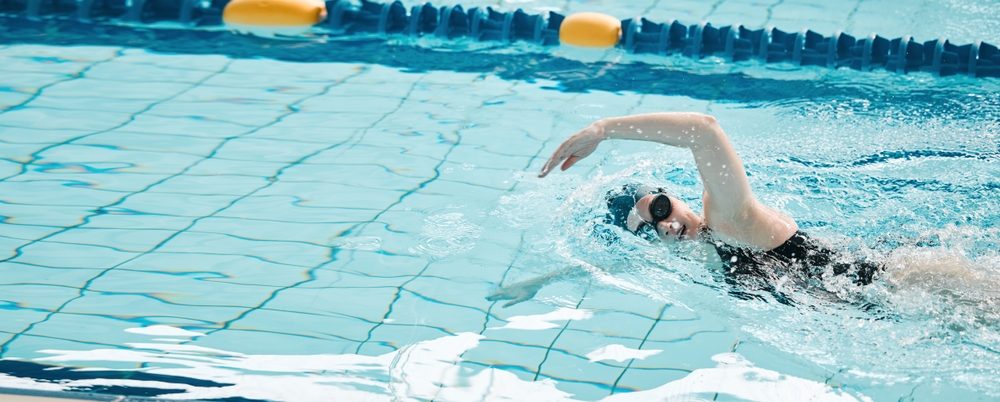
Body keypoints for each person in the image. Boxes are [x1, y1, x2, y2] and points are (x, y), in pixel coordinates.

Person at [488, 112, 882, 307]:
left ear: (673, 196)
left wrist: (603, 130)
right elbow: (608, 266)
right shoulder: (695, 256)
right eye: (649, 229)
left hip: (892, 283)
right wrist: (541, 282)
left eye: (660, 208)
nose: (666, 225)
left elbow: (705, 131)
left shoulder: (728, 218)